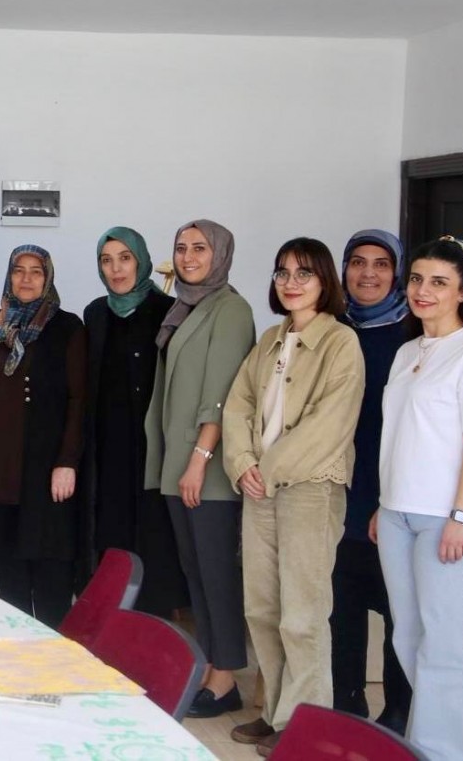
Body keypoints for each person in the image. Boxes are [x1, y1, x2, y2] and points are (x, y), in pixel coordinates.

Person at [222, 237, 365, 752]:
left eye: (304, 273)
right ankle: (276, 712)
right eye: (282, 272)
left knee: (303, 614)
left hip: (310, 488)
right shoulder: (271, 338)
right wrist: (242, 463)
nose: (291, 283)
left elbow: (330, 424)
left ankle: (307, 727)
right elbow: (238, 404)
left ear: (325, 280)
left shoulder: (341, 342)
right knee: (262, 608)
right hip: (259, 486)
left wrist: (267, 469)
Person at [374, 236, 463, 761]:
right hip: (398, 513)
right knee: (409, 637)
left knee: (450, 646)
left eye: (438, 282)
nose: (422, 290)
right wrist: (384, 504)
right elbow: (402, 436)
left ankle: (448, 753)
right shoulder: (408, 352)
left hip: (449, 518)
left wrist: (461, 516)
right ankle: (430, 748)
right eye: (417, 279)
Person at [144, 219, 255, 718]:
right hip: (179, 464)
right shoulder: (186, 306)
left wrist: (199, 459)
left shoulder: (231, 309)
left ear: (221, 255)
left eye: (200, 248)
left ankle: (226, 677)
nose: (189, 257)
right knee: (197, 575)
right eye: (181, 248)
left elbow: (223, 393)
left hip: (204, 468)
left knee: (217, 574)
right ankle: (211, 667)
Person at [0, 245, 86, 628]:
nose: (26, 279)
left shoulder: (67, 327)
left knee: (51, 582)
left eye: (35, 271)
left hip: (45, 471)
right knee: (10, 586)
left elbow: (78, 400)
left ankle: (56, 659)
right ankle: (17, 654)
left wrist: (67, 462)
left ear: (47, 278)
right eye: (18, 270)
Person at [330, 229, 413, 733]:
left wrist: (392, 495)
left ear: (397, 271)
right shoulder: (334, 327)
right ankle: (346, 706)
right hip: (339, 486)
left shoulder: (412, 334)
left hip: (393, 489)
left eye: (381, 263)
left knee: (397, 609)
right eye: (357, 262)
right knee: (341, 607)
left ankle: (397, 714)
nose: (367, 273)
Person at [81, 226, 188, 615]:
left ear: (140, 261)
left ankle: (151, 632)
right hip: (107, 450)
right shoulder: (95, 313)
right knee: (111, 543)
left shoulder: (169, 312)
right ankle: (110, 630)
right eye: (106, 260)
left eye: (124, 258)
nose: (116, 269)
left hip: (153, 451)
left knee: (153, 543)